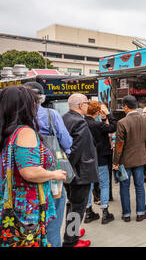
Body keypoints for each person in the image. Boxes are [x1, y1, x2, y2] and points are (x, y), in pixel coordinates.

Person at [0, 86, 67, 247]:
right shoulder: (24, 132)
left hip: (12, 203)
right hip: (27, 209)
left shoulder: (7, 132)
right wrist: (55, 174)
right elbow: (29, 171)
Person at [23, 82, 73, 247]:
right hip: (51, 176)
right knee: (53, 223)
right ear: (41, 98)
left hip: (23, 184)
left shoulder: (15, 118)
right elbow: (66, 141)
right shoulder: (51, 114)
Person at [62, 94, 99, 247]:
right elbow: (75, 150)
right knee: (78, 207)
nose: (88, 105)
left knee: (72, 204)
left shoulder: (64, 118)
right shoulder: (79, 122)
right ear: (80, 105)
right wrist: (68, 170)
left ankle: (73, 231)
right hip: (80, 172)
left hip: (71, 172)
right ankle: (71, 240)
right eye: (86, 103)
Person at [113, 95, 146, 222]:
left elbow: (119, 145)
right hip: (140, 158)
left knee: (124, 187)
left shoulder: (122, 122)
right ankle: (141, 213)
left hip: (125, 160)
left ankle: (126, 214)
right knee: (140, 186)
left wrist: (115, 162)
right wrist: (144, 153)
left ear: (125, 107)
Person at [85, 101, 117, 225]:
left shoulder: (82, 123)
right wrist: (108, 115)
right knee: (104, 184)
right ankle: (105, 212)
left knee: (90, 185)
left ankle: (88, 211)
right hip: (101, 158)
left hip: (87, 159)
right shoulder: (97, 125)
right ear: (97, 112)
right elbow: (113, 127)